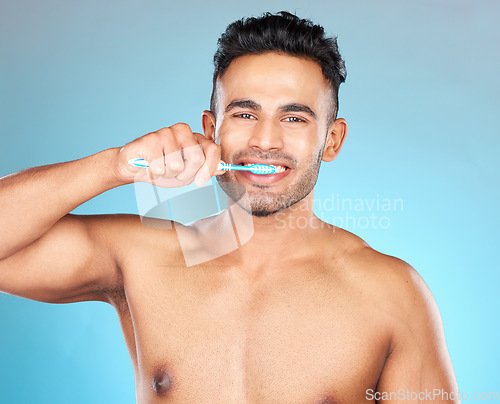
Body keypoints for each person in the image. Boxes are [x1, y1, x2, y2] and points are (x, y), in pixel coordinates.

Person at [0, 11, 459, 404]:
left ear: (332, 140)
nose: (265, 140)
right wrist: (116, 165)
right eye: (244, 113)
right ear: (211, 128)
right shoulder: (144, 256)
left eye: (294, 117)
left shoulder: (392, 292)